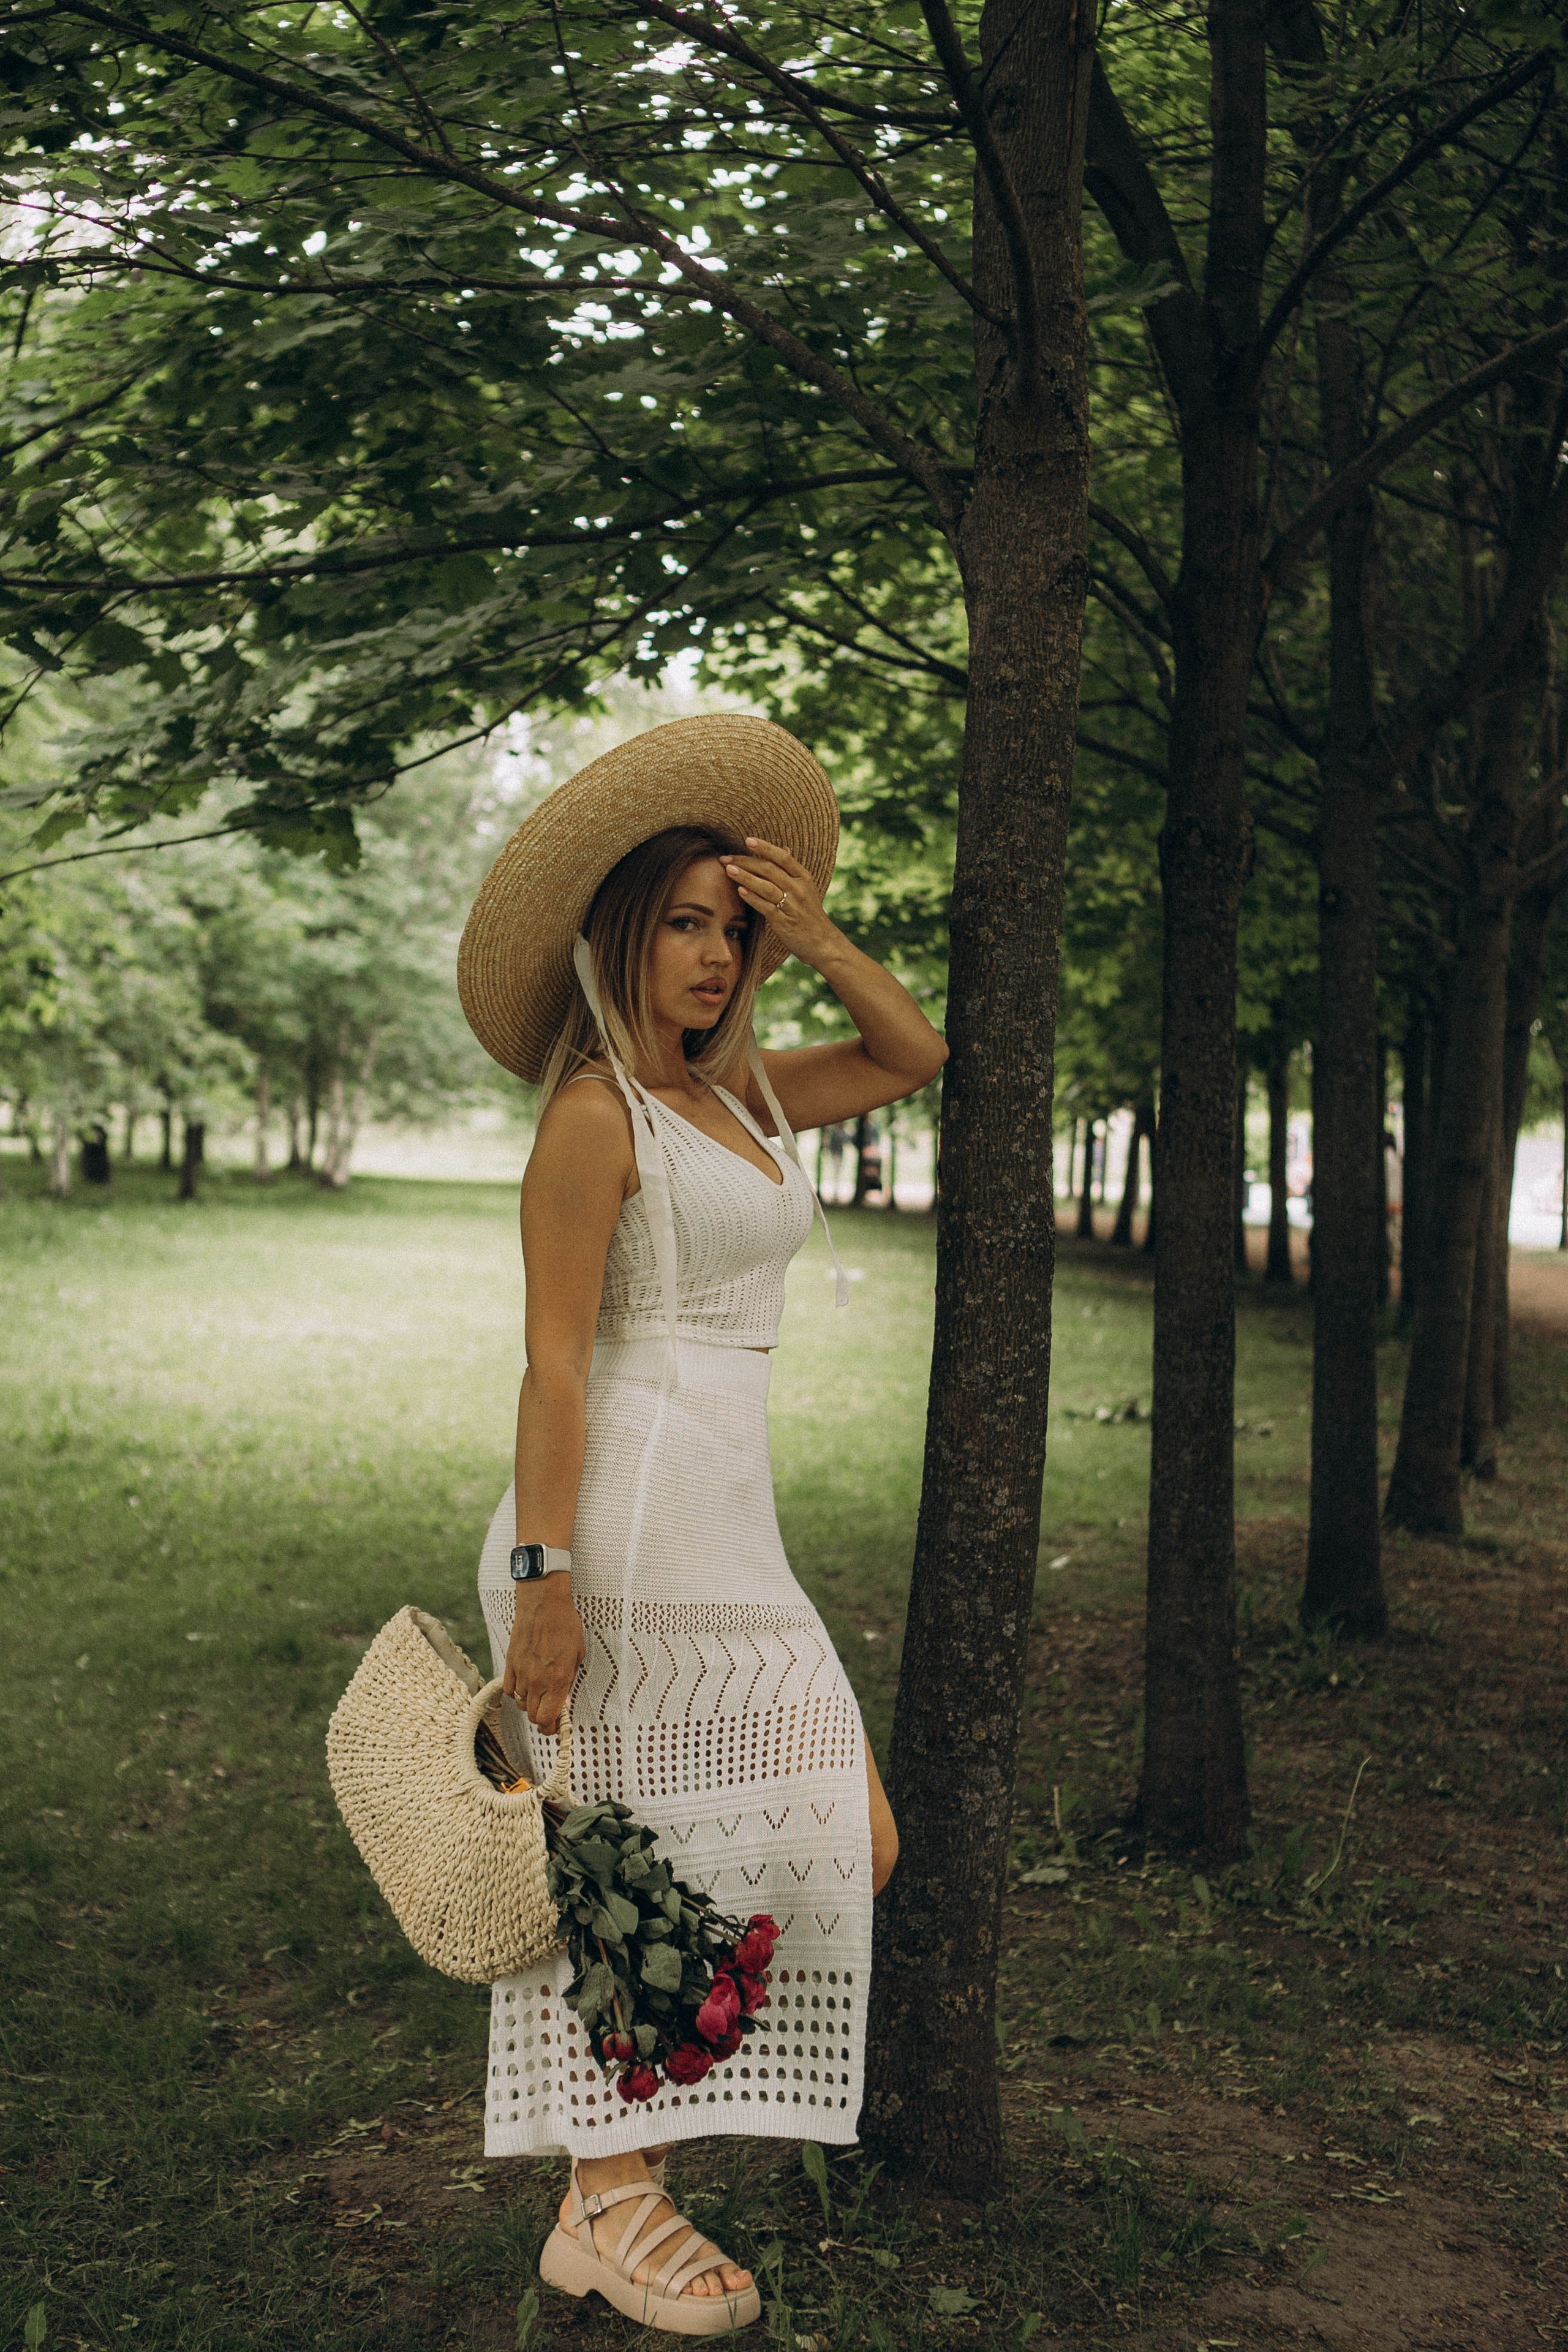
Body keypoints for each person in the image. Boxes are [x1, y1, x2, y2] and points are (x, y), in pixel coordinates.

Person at [457, 714, 946, 2335]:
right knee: (631, 1868)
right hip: (620, 1526)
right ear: (621, 935)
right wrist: (545, 1581)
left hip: (729, 1526)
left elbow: (913, 1054)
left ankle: (615, 2189)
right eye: (684, 923)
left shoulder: (740, 1098)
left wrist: (820, 932)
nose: (717, 956)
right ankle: (613, 2200)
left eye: (735, 929)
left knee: (841, 1844)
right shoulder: (597, 1115)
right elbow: (553, 1362)